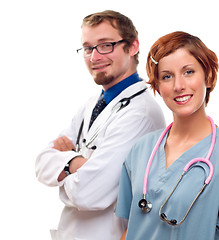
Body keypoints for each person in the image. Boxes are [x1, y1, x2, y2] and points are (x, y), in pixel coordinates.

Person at [115, 31, 219, 239]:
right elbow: (131, 228)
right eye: (167, 76)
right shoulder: (140, 150)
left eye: (188, 72)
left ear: (208, 76)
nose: (178, 86)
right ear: (158, 87)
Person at [35, 10, 165, 240]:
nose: (95, 57)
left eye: (106, 45)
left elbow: (89, 194)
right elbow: (42, 162)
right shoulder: (92, 104)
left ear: (132, 46)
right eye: (88, 48)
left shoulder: (140, 114)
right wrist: (78, 162)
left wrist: (64, 164)